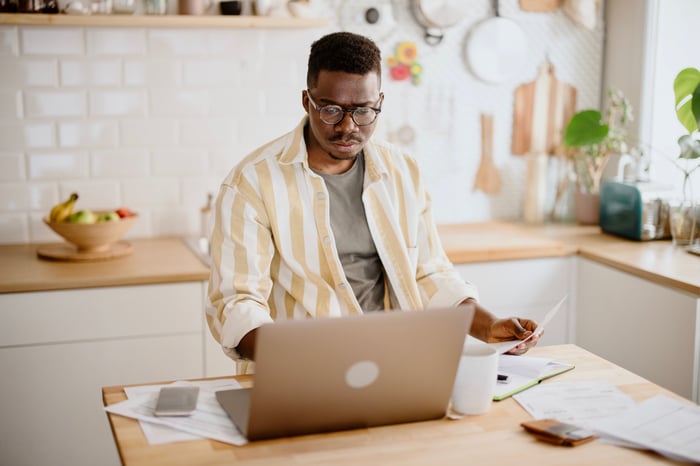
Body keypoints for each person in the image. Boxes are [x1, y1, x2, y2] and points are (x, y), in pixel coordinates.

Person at [206, 31, 539, 367]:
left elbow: (429, 274)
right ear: (308, 101)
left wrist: (490, 327)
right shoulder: (251, 183)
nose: (348, 127)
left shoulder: (403, 171)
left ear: (379, 102)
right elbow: (237, 302)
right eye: (332, 110)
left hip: (394, 365)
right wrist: (296, 361)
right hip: (300, 373)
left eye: (364, 111)